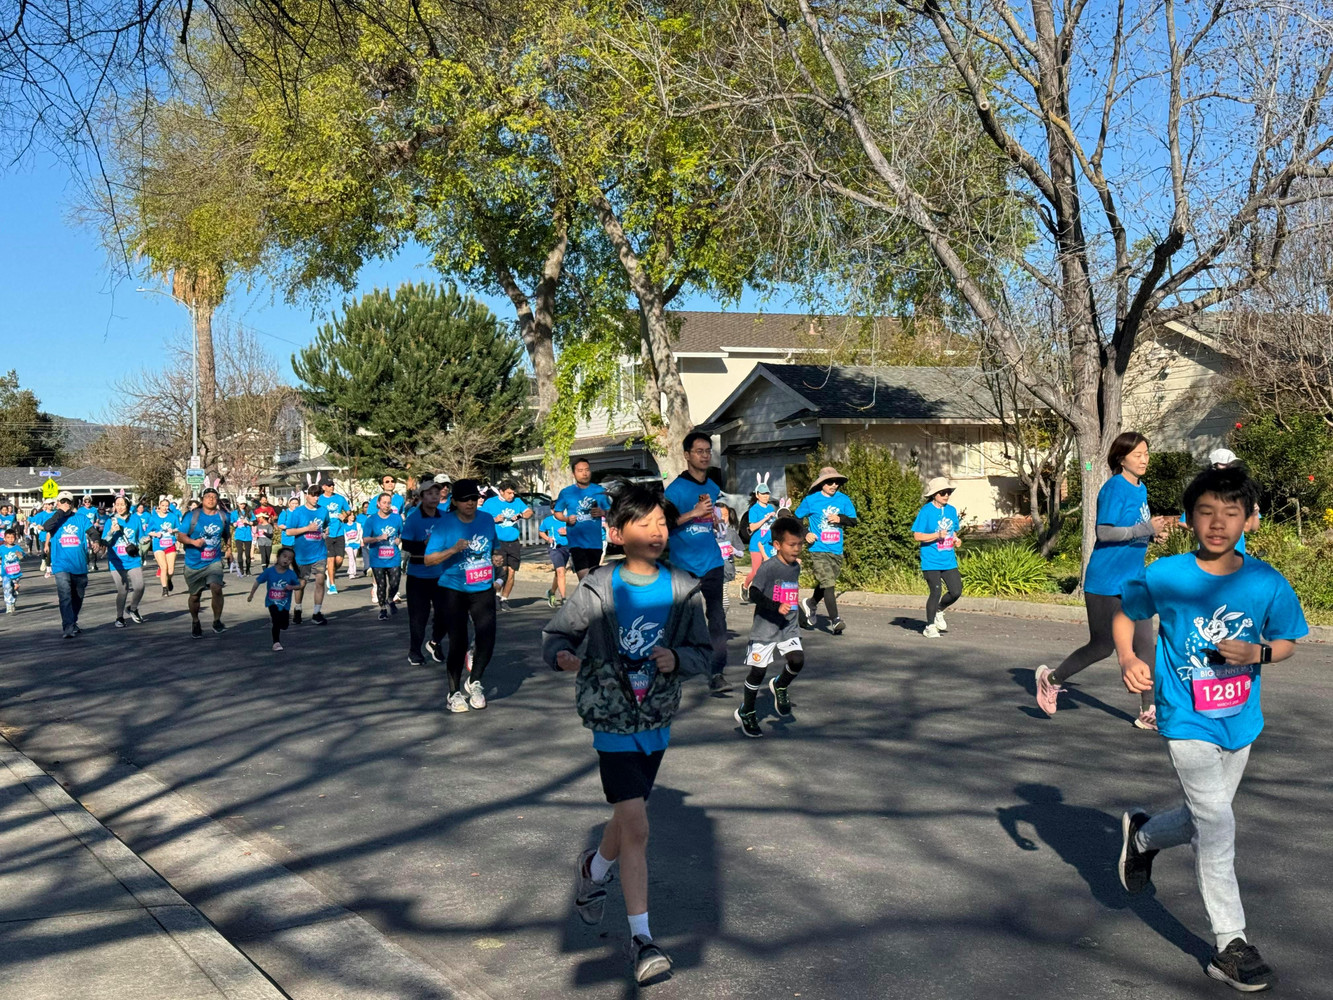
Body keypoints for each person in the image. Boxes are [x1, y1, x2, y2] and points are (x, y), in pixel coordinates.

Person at [1115, 465, 1307, 992]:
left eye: (1231, 512)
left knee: (1206, 817)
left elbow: (1288, 641)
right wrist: (1128, 657)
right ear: (1188, 518)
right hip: (1184, 716)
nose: (1218, 523)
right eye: (1206, 512)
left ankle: (1143, 836)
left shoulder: (1266, 581)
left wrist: (1257, 653)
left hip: (1240, 720)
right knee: (1218, 825)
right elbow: (1126, 613)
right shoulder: (1166, 574)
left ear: (1249, 519)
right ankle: (1230, 944)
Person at [542, 484, 712, 986]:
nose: (657, 531)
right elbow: (558, 634)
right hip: (610, 718)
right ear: (617, 534)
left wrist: (678, 658)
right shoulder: (597, 587)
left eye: (662, 522)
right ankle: (642, 940)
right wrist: (561, 656)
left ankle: (593, 870)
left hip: (656, 717)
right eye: (644, 523)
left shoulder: (683, 588)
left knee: (626, 814)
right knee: (637, 826)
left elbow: (704, 652)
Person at [1036, 432, 1171, 729]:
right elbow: (1104, 532)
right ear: (1122, 458)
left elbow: (1134, 528)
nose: (1145, 459)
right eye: (1138, 455)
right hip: (1105, 581)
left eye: (1147, 453)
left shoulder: (1141, 489)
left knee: (1145, 645)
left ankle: (1148, 710)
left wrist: (1152, 535)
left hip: (1134, 582)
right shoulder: (1114, 488)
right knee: (1102, 646)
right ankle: (1052, 679)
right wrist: (1144, 530)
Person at [422, 479, 503, 712]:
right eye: (465, 499)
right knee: (459, 642)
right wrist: (452, 550)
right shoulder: (445, 524)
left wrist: (496, 557)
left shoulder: (486, 519)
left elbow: (494, 547)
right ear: (455, 501)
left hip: (482, 587)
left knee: (487, 638)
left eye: (474, 498)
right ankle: (453, 693)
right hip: (453, 589)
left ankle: (474, 681)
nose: (470, 503)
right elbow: (428, 560)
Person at [663, 431, 731, 693]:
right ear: (687, 455)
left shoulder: (712, 487)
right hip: (684, 566)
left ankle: (717, 673)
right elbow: (665, 525)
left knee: (717, 617)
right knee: (681, 620)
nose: (705, 456)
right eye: (699, 451)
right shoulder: (675, 490)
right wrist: (694, 513)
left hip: (712, 561)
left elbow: (707, 518)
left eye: (707, 451)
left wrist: (713, 520)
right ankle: (672, 667)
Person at [734, 516, 807, 738]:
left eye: (800, 544)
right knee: (758, 671)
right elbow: (754, 593)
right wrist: (776, 606)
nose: (797, 549)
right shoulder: (769, 568)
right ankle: (747, 711)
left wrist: (799, 614)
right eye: (792, 545)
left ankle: (780, 685)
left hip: (787, 626)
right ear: (777, 545)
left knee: (797, 660)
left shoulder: (795, 567)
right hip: (765, 627)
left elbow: (790, 592)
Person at [795, 466, 858, 634]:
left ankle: (810, 603)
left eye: (837, 482)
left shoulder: (843, 499)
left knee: (826, 583)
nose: (834, 485)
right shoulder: (811, 500)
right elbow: (796, 519)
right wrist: (806, 533)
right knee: (829, 583)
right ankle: (835, 620)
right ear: (821, 484)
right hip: (818, 549)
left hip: (836, 549)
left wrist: (840, 518)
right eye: (830, 482)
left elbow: (853, 521)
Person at [401, 475, 451, 666]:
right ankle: (414, 651)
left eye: (437, 493)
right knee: (418, 618)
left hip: (441, 575)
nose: (434, 496)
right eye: (429, 493)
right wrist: (425, 544)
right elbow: (406, 545)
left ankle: (435, 642)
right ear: (421, 496)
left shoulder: (445, 517)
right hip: (418, 575)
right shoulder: (414, 518)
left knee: (445, 614)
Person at [1176, 448, 1261, 553]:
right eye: (1226, 465)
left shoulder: (1242, 493)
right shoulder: (1203, 494)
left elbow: (1253, 529)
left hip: (1237, 555)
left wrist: (1255, 513)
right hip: (1208, 556)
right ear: (1214, 467)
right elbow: (1183, 522)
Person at [912, 477, 963, 638]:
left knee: (956, 591)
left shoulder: (951, 510)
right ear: (934, 494)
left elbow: (953, 531)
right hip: (931, 559)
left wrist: (956, 539)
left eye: (948, 492)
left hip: (948, 559)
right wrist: (936, 535)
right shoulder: (926, 511)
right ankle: (929, 626)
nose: (946, 495)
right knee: (935, 590)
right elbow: (917, 536)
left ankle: (939, 610)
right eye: (942, 493)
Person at [176, 486, 230, 638]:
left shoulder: (223, 516)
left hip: (213, 561)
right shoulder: (192, 516)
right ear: (202, 500)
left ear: (217, 500)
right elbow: (180, 536)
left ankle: (217, 621)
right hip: (193, 563)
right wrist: (193, 542)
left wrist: (229, 549)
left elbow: (226, 534)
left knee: (216, 588)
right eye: (207, 497)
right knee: (195, 596)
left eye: (214, 497)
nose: (211, 499)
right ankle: (195, 621)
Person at [44, 492, 93, 638]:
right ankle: (68, 627)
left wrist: (96, 541)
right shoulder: (54, 519)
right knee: (65, 594)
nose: (66, 504)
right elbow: (47, 527)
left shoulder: (81, 518)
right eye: (63, 501)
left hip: (79, 564)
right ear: (58, 503)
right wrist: (60, 513)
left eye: (68, 502)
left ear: (72, 504)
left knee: (78, 596)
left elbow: (92, 531)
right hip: (60, 564)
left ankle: (72, 621)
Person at [553, 458, 611, 580]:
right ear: (573, 474)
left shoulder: (600, 491)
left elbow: (611, 511)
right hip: (576, 542)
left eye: (587, 470)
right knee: (584, 577)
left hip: (595, 542)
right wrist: (566, 519)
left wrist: (602, 512)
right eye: (580, 471)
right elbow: (557, 512)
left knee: (593, 578)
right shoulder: (566, 492)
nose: (584, 473)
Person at [283, 483, 331, 626]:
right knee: (301, 583)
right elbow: (289, 531)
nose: (316, 498)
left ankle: (316, 613)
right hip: (302, 554)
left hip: (319, 552)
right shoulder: (298, 512)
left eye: (318, 496)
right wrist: (307, 528)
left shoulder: (323, 511)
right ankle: (298, 608)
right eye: (313, 495)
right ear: (307, 496)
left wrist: (326, 532)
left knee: (320, 580)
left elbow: (326, 525)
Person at [480, 480, 533, 611]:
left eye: (513, 493)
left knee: (512, 571)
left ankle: (504, 599)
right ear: (501, 492)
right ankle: (496, 596)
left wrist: (521, 515)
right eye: (509, 493)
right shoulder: (490, 503)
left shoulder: (517, 502)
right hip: (498, 542)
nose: (512, 496)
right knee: (501, 571)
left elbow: (529, 512)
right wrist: (494, 520)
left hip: (513, 541)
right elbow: (480, 519)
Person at [103, 494, 147, 627]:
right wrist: (111, 531)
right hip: (116, 560)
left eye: (122, 504)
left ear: (127, 505)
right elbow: (104, 541)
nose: (120, 507)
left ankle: (133, 608)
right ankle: (119, 617)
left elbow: (140, 537)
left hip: (133, 558)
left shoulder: (135, 519)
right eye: (117, 504)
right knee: (123, 590)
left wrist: (145, 540)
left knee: (139, 586)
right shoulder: (110, 521)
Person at [362, 492, 404, 620]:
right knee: (381, 585)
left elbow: (402, 533)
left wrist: (399, 539)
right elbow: (365, 539)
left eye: (389, 503)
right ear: (378, 504)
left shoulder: (396, 518)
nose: (386, 505)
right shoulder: (371, 520)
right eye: (384, 503)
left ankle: (390, 599)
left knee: (395, 583)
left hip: (393, 556)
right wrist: (378, 538)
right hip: (377, 558)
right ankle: (383, 609)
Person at [249, 547, 301, 651]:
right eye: (284, 556)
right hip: (271, 602)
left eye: (290, 559)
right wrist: (251, 594)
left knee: (284, 625)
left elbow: (299, 586)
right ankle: (276, 643)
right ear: (278, 557)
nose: (286, 560)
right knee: (276, 622)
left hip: (285, 604)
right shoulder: (269, 571)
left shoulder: (291, 574)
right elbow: (258, 581)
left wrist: (291, 587)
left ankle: (280, 622)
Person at [741, 477, 778, 599]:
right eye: (763, 494)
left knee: (770, 570)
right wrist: (765, 519)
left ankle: (765, 594)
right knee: (756, 571)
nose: (765, 496)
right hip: (757, 544)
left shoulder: (771, 508)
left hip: (769, 544)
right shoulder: (754, 510)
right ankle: (745, 586)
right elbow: (752, 527)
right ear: (757, 495)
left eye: (767, 493)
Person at [315, 477, 352, 594]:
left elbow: (349, 510)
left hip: (339, 532)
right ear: (324, 487)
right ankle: (332, 585)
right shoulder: (319, 500)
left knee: (339, 560)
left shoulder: (340, 498)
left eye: (332, 485)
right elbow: (314, 512)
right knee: (330, 559)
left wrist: (345, 515)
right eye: (329, 485)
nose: (332, 487)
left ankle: (330, 571)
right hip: (326, 533)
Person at [146, 497, 180, 596]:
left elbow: (179, 527)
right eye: (163, 505)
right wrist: (155, 534)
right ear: (159, 506)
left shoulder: (173, 517)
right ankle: (164, 589)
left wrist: (173, 530)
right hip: (158, 545)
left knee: (171, 570)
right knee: (163, 567)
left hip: (170, 544)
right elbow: (148, 531)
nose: (165, 508)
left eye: (166, 506)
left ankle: (168, 579)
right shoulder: (153, 518)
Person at [538, 510, 569, 607]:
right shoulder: (548, 520)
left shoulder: (567, 519)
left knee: (559, 573)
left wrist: (567, 532)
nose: (560, 512)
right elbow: (541, 531)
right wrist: (548, 539)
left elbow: (577, 531)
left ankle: (551, 592)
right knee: (560, 571)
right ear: (552, 511)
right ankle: (563, 598)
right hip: (554, 548)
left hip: (567, 548)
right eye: (557, 510)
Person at [715, 501, 743, 612]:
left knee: (723, 598)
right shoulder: (709, 533)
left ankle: (721, 616)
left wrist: (734, 550)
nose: (723, 518)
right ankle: (716, 616)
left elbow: (741, 554)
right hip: (711, 570)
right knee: (715, 598)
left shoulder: (731, 533)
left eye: (725, 515)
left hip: (726, 570)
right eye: (719, 515)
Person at [1, 526, 23, 613]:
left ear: (15, 538)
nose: (10, 539)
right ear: (5, 538)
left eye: (12, 537)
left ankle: (13, 600)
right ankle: (8, 605)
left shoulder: (17, 547)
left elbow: (22, 557)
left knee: (14, 589)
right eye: (8, 537)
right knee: (7, 588)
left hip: (16, 572)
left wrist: (19, 555)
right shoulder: (2, 548)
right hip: (6, 573)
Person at [230, 503, 254, 575]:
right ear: (238, 504)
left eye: (244, 504)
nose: (242, 505)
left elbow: (254, 522)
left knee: (247, 554)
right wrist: (233, 524)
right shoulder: (234, 513)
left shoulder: (249, 512)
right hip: (239, 535)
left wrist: (248, 522)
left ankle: (248, 570)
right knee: (240, 552)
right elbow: (231, 522)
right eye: (241, 504)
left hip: (248, 535)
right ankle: (241, 569)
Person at [343, 510, 363, 579]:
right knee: (351, 557)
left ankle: (350, 571)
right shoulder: (344, 526)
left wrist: (361, 541)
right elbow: (344, 535)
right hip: (348, 544)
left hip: (356, 543)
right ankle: (351, 573)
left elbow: (360, 533)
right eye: (351, 515)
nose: (353, 516)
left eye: (353, 515)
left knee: (354, 557)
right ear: (347, 517)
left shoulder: (357, 525)